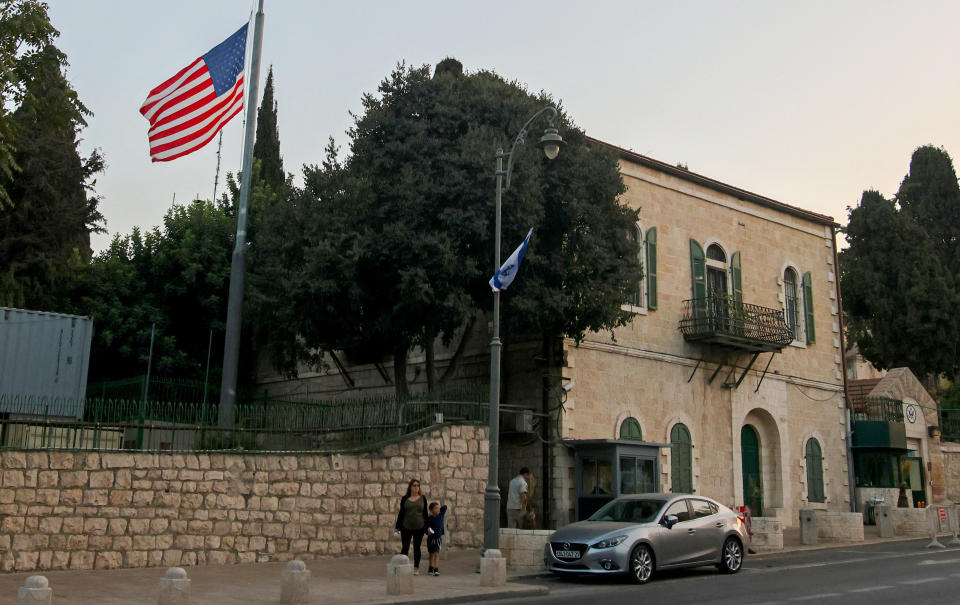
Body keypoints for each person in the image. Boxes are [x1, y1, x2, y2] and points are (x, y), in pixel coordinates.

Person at [394, 478, 428, 575]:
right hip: (406, 526)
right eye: (414, 485)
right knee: (405, 547)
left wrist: (427, 527)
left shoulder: (423, 498)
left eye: (418, 485)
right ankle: (403, 566)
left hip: (419, 527)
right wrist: (397, 529)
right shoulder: (405, 498)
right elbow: (401, 514)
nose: (416, 487)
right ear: (410, 487)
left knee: (417, 547)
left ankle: (416, 567)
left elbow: (425, 514)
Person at [425, 501, 447, 576]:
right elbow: (426, 527)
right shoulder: (429, 518)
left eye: (438, 508)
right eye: (435, 508)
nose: (437, 509)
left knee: (437, 553)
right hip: (431, 539)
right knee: (431, 554)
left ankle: (436, 569)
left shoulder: (441, 515)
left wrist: (438, 508)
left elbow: (445, 507)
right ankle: (430, 568)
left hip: (438, 538)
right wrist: (427, 529)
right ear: (431, 510)